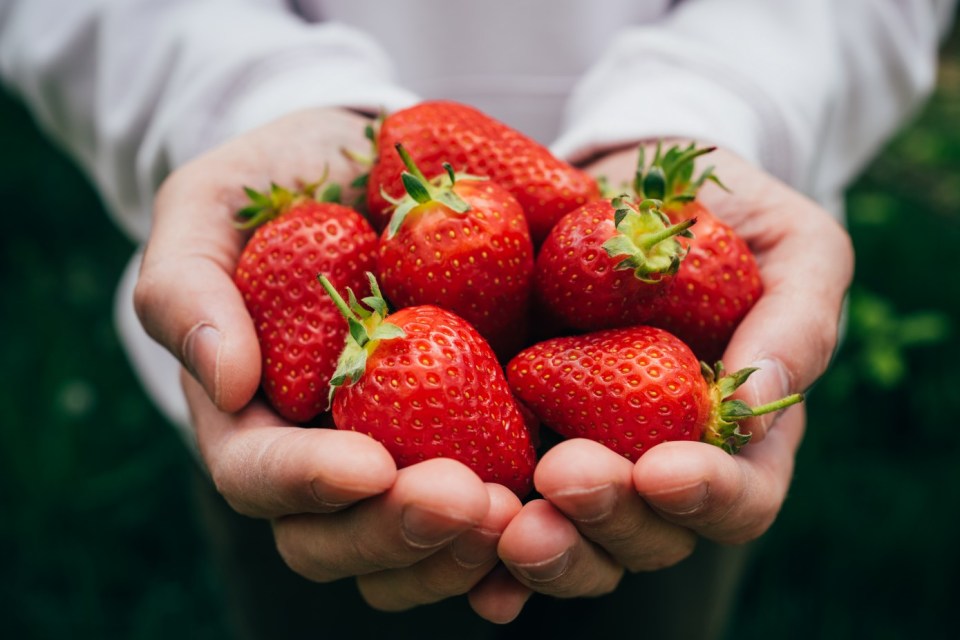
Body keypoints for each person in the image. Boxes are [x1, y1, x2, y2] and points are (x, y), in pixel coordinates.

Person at [1, 1, 955, 637]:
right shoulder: (364, 278)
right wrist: (244, 104)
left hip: (620, 456)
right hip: (322, 431)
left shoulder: (598, 266)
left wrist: (723, 105)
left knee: (641, 581)